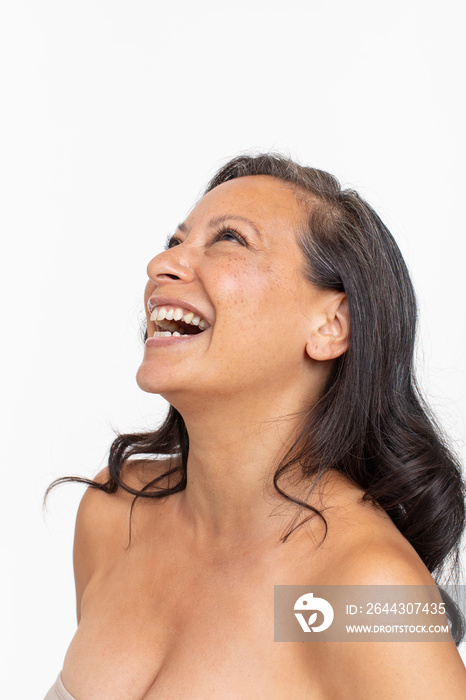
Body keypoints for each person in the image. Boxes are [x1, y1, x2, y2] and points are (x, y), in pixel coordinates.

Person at [45, 153, 466, 699]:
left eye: (230, 240)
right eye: (175, 241)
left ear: (331, 326)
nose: (161, 264)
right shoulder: (114, 516)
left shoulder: (361, 589)